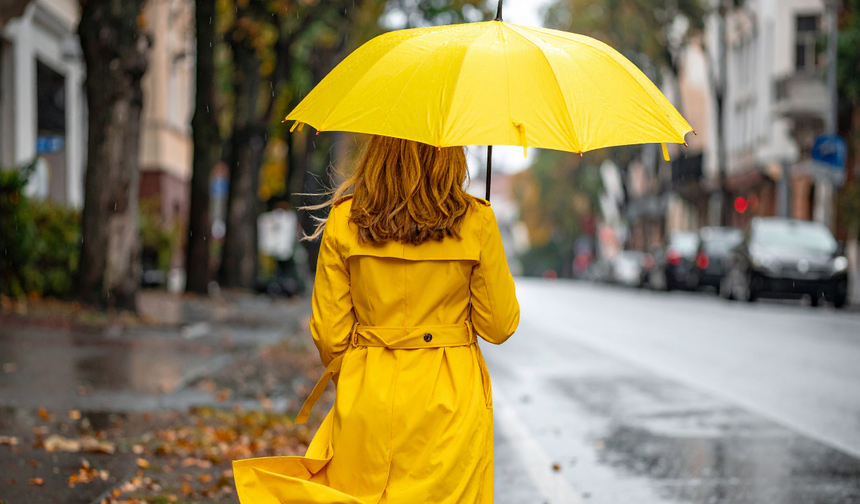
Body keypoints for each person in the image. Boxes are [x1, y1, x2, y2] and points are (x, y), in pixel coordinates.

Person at [233, 135, 520, 504]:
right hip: (451, 401)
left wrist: (361, 373)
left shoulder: (345, 219)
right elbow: (499, 326)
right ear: (451, 156)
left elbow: (330, 336)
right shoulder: (476, 220)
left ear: (379, 152)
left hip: (367, 394)